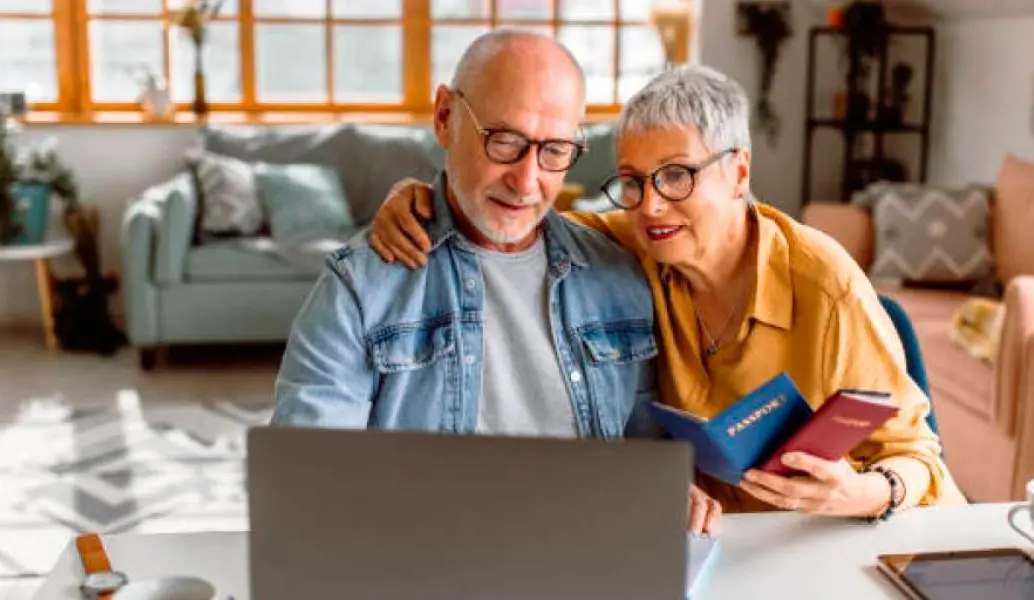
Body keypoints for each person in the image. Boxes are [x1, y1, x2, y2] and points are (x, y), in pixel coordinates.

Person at [367, 64, 968, 522]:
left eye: (677, 175)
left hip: (851, 545)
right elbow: (513, 219)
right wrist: (420, 195)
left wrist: (859, 492)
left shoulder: (824, 284)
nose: (651, 205)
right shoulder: (638, 246)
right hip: (724, 548)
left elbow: (920, 459)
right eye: (631, 182)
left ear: (738, 172)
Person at [271, 29, 675, 510]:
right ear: (444, 117)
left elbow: (647, 464)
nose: (527, 182)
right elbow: (308, 488)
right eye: (504, 141)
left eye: (554, 151)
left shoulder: (620, 277)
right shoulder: (359, 290)